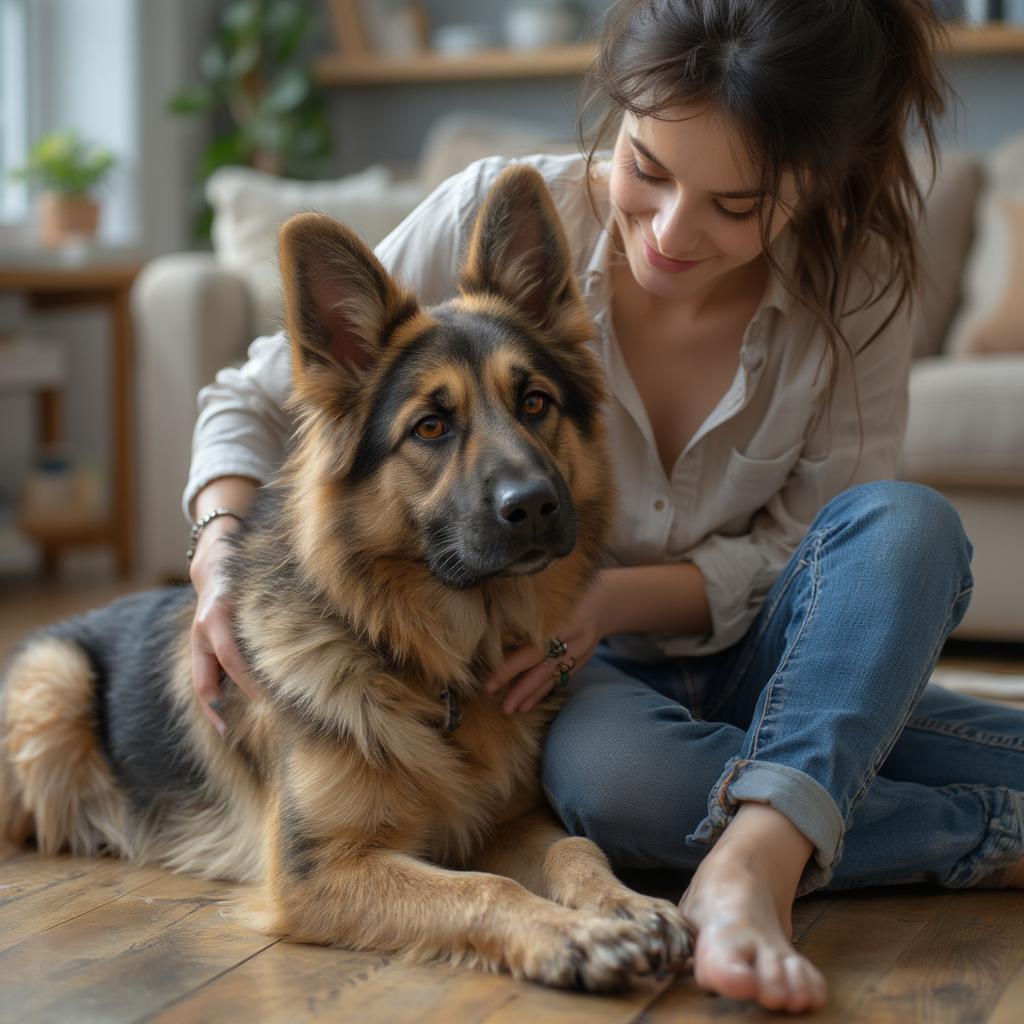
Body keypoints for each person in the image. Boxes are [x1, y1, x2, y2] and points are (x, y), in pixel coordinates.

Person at [182, 0, 1024, 1013]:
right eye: (649, 169)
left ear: (815, 179)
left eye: (737, 202)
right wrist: (219, 545)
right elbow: (259, 392)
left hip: (788, 651)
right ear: (618, 112)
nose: (672, 231)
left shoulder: (863, 282)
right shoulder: (502, 208)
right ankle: (979, 828)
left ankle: (749, 862)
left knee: (907, 523)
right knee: (626, 793)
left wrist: (606, 604)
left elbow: (820, 542)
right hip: (589, 686)